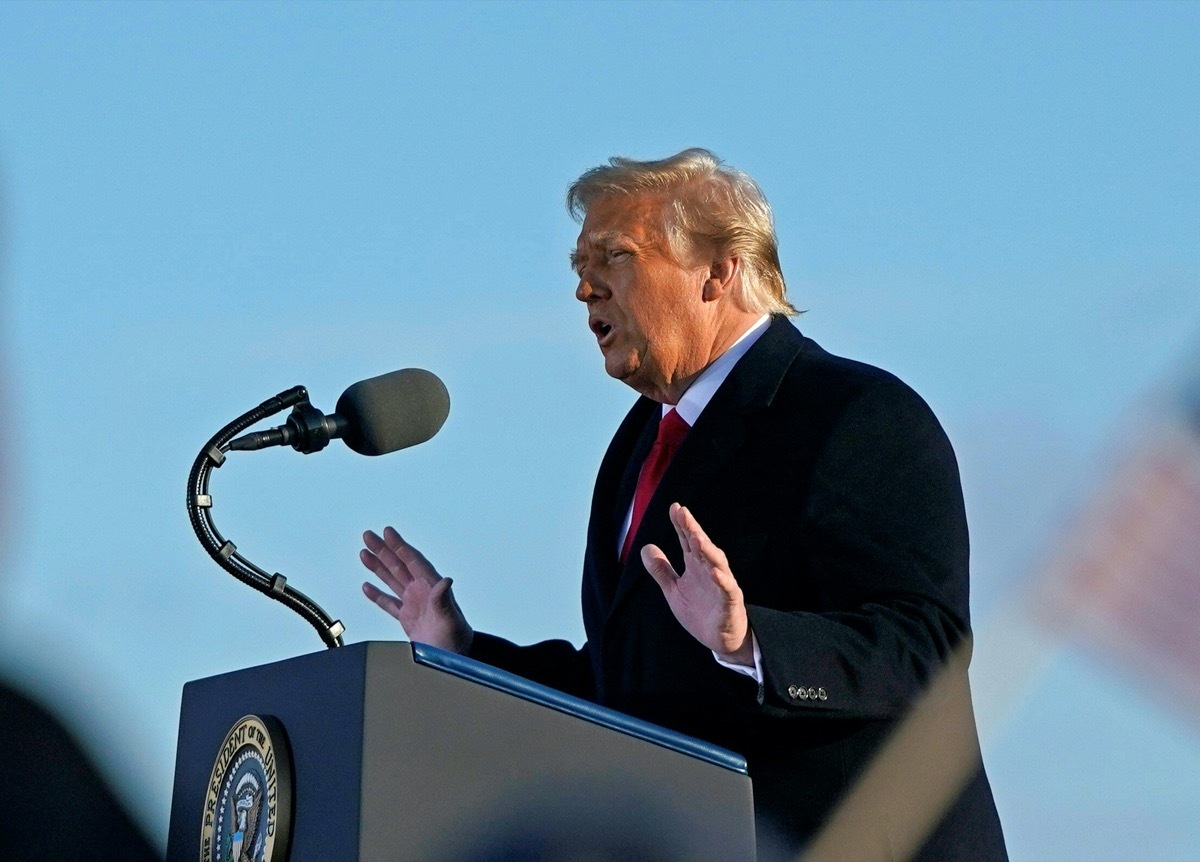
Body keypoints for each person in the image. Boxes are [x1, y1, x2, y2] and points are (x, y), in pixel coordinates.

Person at [358, 149, 1007, 860]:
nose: (584, 289)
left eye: (614, 256)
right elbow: (624, 690)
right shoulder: (634, 448)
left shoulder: (855, 413)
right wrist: (468, 656)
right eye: (580, 266)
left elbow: (924, 646)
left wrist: (751, 642)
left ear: (719, 271)